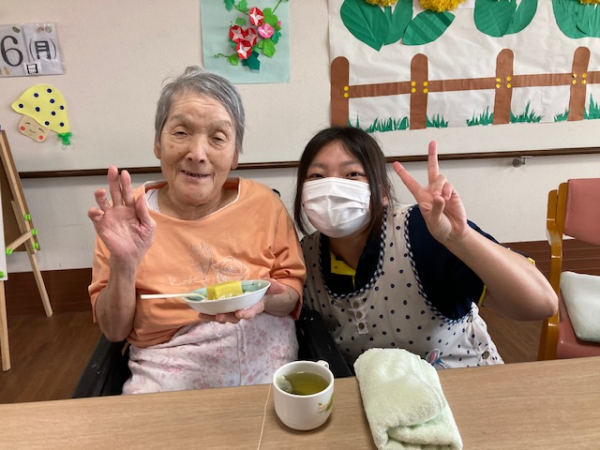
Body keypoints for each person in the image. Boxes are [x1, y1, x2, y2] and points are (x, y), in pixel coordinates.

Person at [88, 66, 305, 393]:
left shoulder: (264, 205)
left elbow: (290, 297)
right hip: (167, 365)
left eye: (217, 138)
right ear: (158, 143)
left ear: (235, 154)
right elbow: (114, 331)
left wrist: (266, 299)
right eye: (181, 132)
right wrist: (124, 263)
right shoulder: (128, 218)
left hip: (266, 356)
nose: (197, 154)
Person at [293, 126, 557, 369]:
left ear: (383, 192)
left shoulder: (423, 230)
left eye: (353, 174)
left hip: (462, 385)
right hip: (377, 396)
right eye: (317, 176)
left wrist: (459, 238)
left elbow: (541, 305)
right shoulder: (304, 256)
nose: (332, 188)